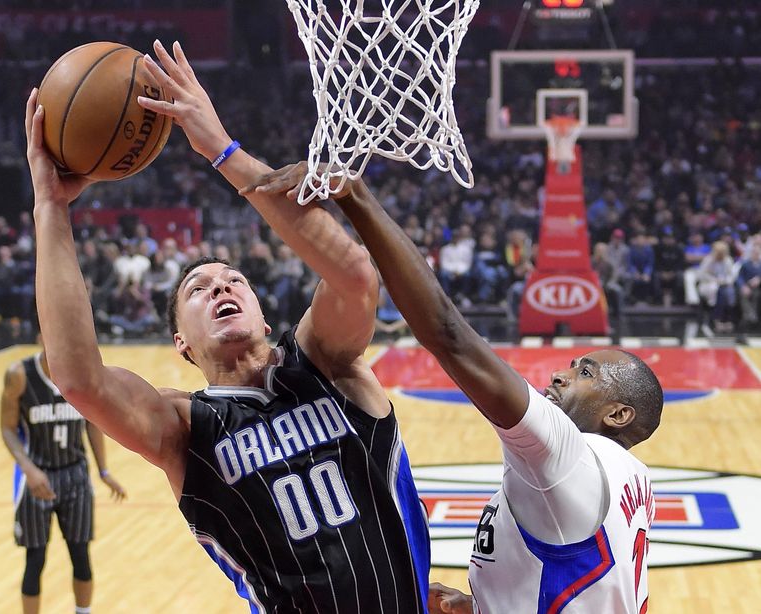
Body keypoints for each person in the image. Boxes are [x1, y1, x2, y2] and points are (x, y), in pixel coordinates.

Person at [25, 39, 429, 613]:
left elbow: (356, 277)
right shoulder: (183, 428)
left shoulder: (325, 365)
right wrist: (50, 207)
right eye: (198, 288)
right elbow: (78, 378)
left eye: (233, 280)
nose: (219, 286)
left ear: (264, 312)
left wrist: (220, 148)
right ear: (181, 342)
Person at [243, 162, 664, 614]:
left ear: (618, 414)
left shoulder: (564, 457)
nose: (560, 376)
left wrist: (356, 198)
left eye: (585, 374)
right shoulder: (635, 482)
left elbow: (448, 334)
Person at [0, 339, 126, 614]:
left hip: (75, 476)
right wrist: (28, 469)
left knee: (80, 555)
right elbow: (8, 428)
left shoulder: (81, 374)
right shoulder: (19, 375)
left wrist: (104, 471)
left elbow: (93, 424)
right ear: (38, 338)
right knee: (35, 559)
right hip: (37, 478)